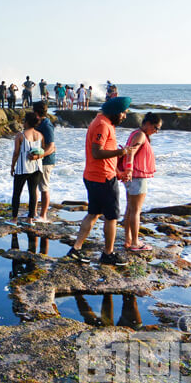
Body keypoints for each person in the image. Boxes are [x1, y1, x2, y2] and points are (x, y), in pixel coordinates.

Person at [66, 96, 138, 266]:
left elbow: (103, 156)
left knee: (93, 213)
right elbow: (97, 153)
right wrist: (122, 153)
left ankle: (75, 249)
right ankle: (108, 253)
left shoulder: (103, 123)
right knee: (112, 217)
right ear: (115, 112)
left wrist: (118, 172)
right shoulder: (102, 125)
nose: (125, 116)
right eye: (123, 112)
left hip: (97, 175)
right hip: (102, 178)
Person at [122, 113, 162, 252]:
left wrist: (128, 171)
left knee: (130, 209)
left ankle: (128, 239)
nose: (156, 131)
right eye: (156, 128)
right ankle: (134, 242)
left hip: (133, 176)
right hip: (137, 176)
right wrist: (129, 169)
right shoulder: (140, 135)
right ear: (148, 124)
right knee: (136, 211)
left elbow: (129, 151)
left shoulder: (135, 133)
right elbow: (131, 152)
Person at [8, 112, 44, 227]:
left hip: (23, 168)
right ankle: (30, 219)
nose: (23, 122)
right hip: (37, 167)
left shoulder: (20, 136)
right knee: (33, 192)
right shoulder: (40, 135)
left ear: (27, 122)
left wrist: (12, 166)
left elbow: (16, 153)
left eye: (24, 120)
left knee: (17, 193)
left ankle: (14, 219)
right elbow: (42, 151)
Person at [31, 101, 57, 223]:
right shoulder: (39, 123)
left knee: (44, 187)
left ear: (36, 112)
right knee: (35, 186)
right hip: (39, 159)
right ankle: (34, 212)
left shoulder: (47, 125)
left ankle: (43, 215)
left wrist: (39, 156)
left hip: (46, 161)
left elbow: (51, 146)